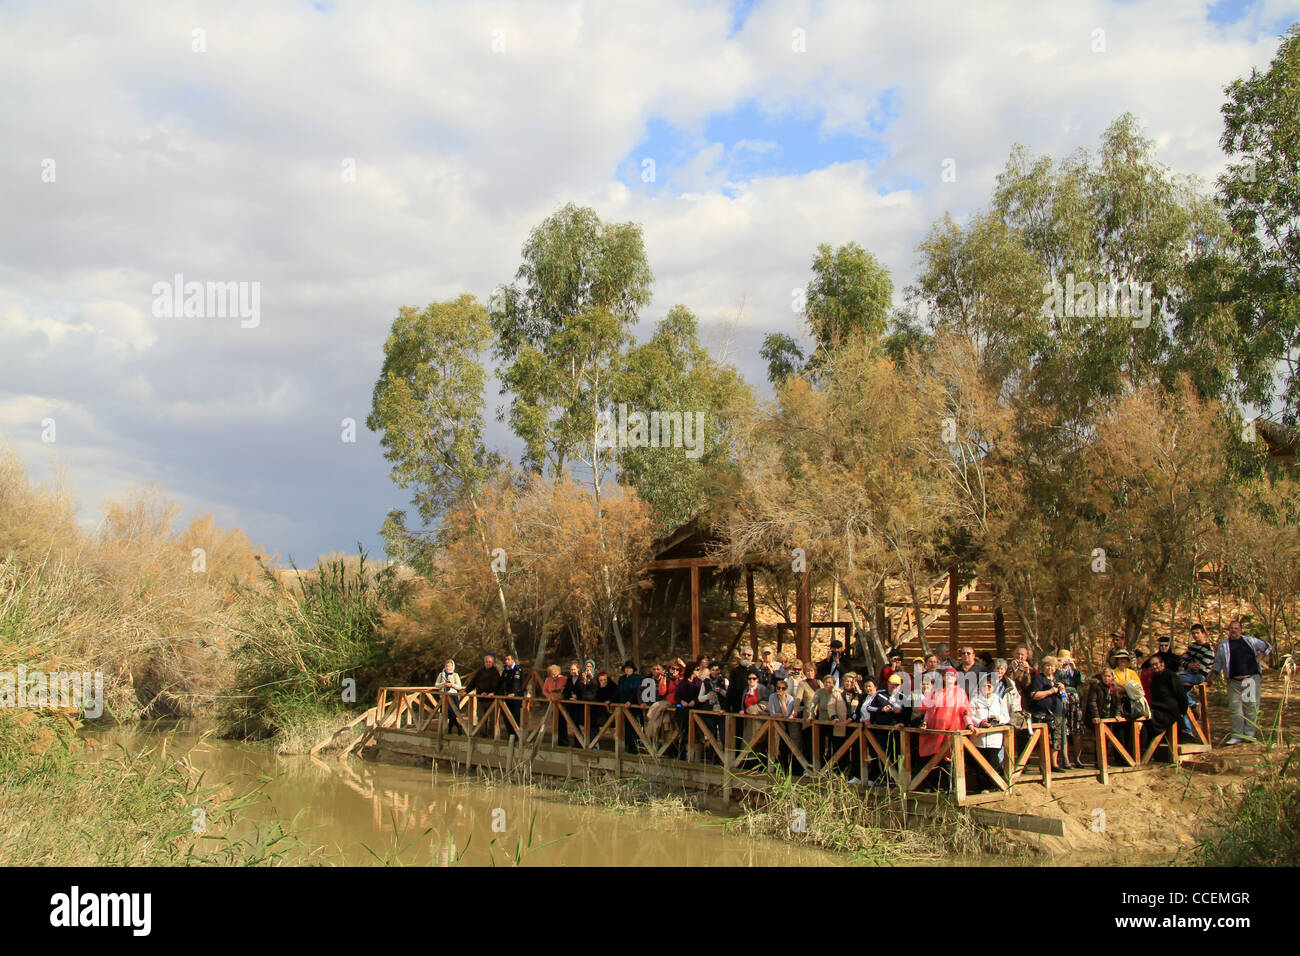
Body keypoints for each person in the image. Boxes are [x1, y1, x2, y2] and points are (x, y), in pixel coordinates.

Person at [1210, 619, 1273, 745]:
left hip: (1250, 679)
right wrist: (1212, 677)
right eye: (1231, 628)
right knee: (1235, 709)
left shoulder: (1250, 641)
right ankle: (1237, 735)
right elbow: (1218, 664)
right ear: (1229, 630)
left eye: (1236, 628)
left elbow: (1267, 646)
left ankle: (1249, 735)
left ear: (1241, 629)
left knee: (1251, 707)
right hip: (1234, 681)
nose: (1234, 630)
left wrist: (1260, 657)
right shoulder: (1224, 645)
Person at [916, 668, 970, 789]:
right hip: (937, 732)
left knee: (952, 760)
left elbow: (965, 711)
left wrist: (969, 724)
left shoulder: (960, 692)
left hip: (953, 731)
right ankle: (939, 788)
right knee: (936, 759)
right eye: (947, 676)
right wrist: (924, 722)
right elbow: (929, 710)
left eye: (952, 676)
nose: (949, 678)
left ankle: (953, 788)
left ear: (956, 678)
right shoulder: (937, 692)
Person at [968, 671, 1010, 792]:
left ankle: (993, 785)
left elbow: (1006, 717)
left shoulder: (998, 700)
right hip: (979, 738)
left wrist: (999, 719)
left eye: (990, 685)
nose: (987, 688)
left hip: (994, 738)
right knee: (979, 763)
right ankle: (982, 787)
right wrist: (980, 722)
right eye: (984, 685)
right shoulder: (975, 700)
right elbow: (970, 716)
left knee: (993, 762)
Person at [1027, 656, 1067, 772]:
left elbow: (1064, 698)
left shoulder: (1057, 679)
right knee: (1043, 740)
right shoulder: (1038, 679)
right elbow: (1034, 695)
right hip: (1042, 714)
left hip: (1057, 713)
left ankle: (1054, 764)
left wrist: (1062, 689)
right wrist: (1050, 692)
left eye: (1052, 666)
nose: (1050, 668)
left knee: (1056, 739)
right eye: (1047, 665)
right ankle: (1044, 764)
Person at [1146, 655, 1189, 747]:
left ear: (1162, 664)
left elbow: (1181, 695)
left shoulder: (1171, 676)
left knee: (1151, 721)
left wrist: (1183, 711)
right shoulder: (1154, 678)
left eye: (1156, 664)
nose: (1154, 667)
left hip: (1169, 712)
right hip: (1157, 709)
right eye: (1152, 665)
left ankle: (1151, 748)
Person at [498, 653, 525, 737]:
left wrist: (514, 692)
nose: (506, 661)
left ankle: (517, 735)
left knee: (516, 716)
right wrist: (495, 692)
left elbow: (517, 682)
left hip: (516, 696)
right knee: (506, 716)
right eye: (506, 660)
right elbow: (501, 682)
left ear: (513, 660)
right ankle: (510, 734)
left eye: (508, 659)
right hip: (507, 695)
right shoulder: (506, 670)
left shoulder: (517, 669)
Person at [435, 659, 463, 733]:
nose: (448, 668)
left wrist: (452, 685)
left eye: (450, 666)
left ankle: (451, 729)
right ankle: (457, 727)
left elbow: (460, 687)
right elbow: (436, 685)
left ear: (452, 666)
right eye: (447, 666)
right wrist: (443, 684)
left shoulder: (455, 675)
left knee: (453, 713)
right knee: (447, 713)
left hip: (453, 695)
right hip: (444, 696)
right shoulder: (441, 675)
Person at [726, 648, 756, 712]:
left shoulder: (756, 671)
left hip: (752, 707)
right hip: (737, 705)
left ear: (752, 657)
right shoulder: (735, 671)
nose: (746, 656)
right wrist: (726, 707)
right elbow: (730, 689)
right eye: (744, 654)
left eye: (749, 655)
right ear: (740, 656)